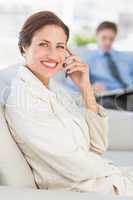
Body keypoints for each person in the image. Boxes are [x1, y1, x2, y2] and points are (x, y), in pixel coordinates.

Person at [4, 11, 133, 196]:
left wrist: (85, 87)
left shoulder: (54, 90)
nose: (53, 55)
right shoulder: (23, 100)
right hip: (79, 190)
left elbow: (97, 146)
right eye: (43, 44)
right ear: (24, 46)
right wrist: (115, 170)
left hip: (100, 181)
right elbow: (74, 166)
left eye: (60, 46)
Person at [65, 21, 133, 93]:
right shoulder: (88, 60)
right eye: (104, 38)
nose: (108, 42)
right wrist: (90, 88)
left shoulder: (127, 58)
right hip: (111, 96)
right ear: (97, 35)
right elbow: (71, 84)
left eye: (111, 39)